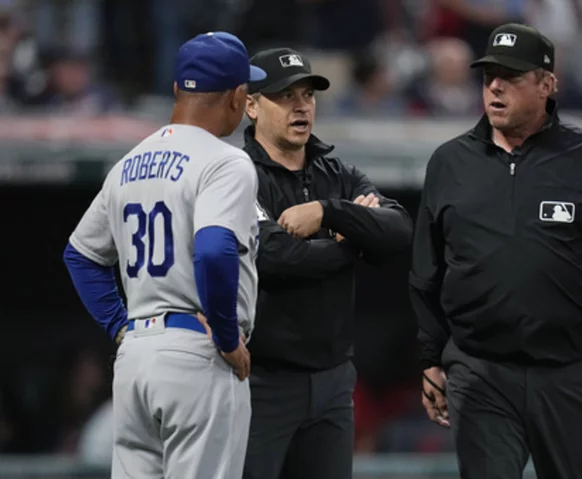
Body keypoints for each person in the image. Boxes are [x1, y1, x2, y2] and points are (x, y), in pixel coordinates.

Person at [409, 23, 582, 479]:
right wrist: (431, 359)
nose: (494, 86)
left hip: (574, 373)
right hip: (480, 371)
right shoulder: (449, 162)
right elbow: (425, 271)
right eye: (489, 75)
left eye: (511, 76)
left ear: (547, 85)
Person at [62, 31, 266, 479]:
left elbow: (80, 255)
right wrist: (228, 339)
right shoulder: (226, 161)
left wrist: (120, 327)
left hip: (135, 356)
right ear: (237, 96)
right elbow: (214, 251)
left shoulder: (128, 163)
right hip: (198, 352)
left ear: (177, 90)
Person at [240, 47, 413, 479]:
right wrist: (352, 244)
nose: (300, 106)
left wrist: (329, 213)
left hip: (333, 382)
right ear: (251, 105)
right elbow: (277, 256)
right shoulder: (236, 174)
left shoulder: (339, 174)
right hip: (262, 383)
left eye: (308, 94)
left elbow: (398, 233)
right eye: (284, 96)